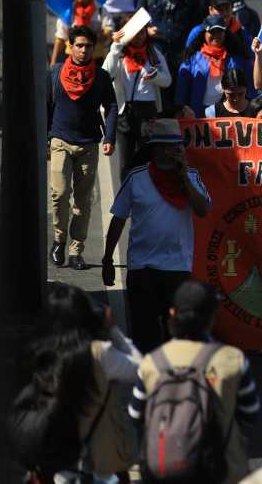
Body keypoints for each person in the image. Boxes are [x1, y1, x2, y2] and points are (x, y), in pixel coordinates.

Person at [7, 283, 141, 482]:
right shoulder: (98, 354)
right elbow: (141, 369)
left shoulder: (37, 353)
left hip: (53, 458)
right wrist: (114, 331)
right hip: (98, 461)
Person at [130, 280, 259, 484]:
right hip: (222, 466)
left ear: (172, 314)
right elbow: (250, 413)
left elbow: (136, 414)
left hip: (164, 467)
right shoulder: (232, 359)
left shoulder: (152, 362)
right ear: (212, 318)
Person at [101, 119, 211, 351]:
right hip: (142, 269)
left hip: (178, 268)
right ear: (157, 148)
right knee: (145, 337)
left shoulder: (191, 176)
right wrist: (108, 259)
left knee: (177, 338)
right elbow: (118, 219)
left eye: (179, 147)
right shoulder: (136, 178)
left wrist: (183, 179)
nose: (177, 152)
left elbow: (203, 210)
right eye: (171, 147)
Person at [48, 25, 118, 271]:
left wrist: (109, 137)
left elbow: (111, 107)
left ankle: (76, 250)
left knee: (83, 200)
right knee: (59, 194)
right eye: (79, 45)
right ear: (70, 46)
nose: (83, 50)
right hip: (60, 141)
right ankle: (58, 240)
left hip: (88, 144)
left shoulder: (100, 77)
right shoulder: (55, 73)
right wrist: (46, 138)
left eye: (88, 46)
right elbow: (47, 106)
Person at [103, 14, 170, 170]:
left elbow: (167, 81)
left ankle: (146, 192)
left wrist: (156, 77)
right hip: (125, 111)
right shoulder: (118, 53)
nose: (139, 37)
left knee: (147, 158)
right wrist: (115, 47)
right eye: (135, 32)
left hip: (147, 110)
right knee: (126, 161)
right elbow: (107, 74)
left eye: (142, 32)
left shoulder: (154, 53)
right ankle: (127, 192)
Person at [144, 0, 207, 86]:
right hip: (156, 55)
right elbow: (135, 24)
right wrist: (147, 31)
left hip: (181, 55)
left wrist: (190, 51)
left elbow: (199, 27)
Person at [176, 15, 251, 118]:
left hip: (227, 112)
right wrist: (182, 109)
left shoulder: (237, 57)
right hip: (197, 113)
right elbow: (182, 89)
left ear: (225, 33)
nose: (216, 35)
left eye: (220, 31)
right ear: (204, 33)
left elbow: (249, 86)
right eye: (212, 32)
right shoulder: (192, 59)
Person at [51, 0, 105, 65]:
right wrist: (53, 62)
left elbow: (108, 31)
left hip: (95, 59)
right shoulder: (68, 11)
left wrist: (100, 35)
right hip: (72, 59)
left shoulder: (100, 10)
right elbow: (60, 38)